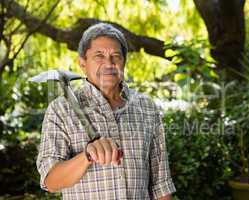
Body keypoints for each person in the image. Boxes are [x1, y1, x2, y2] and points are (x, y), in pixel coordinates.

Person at [36, 23, 176, 200]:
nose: (108, 64)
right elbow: (50, 181)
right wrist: (86, 156)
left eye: (115, 56)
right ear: (82, 63)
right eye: (99, 56)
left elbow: (160, 185)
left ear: (124, 62)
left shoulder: (146, 107)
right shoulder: (60, 110)